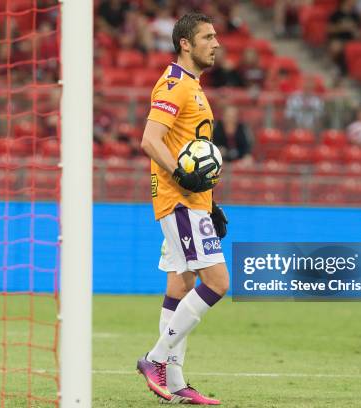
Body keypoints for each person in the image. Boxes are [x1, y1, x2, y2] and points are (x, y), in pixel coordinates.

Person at [137, 12, 228, 405]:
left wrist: (211, 202)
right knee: (218, 282)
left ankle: (174, 382)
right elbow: (150, 139)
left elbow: (190, 149)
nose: (216, 43)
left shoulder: (193, 87)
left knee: (181, 284)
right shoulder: (174, 84)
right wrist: (183, 178)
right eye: (207, 37)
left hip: (193, 202)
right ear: (185, 44)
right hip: (179, 201)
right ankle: (155, 359)